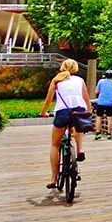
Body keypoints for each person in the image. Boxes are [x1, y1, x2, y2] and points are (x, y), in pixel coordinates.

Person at [39, 58, 91, 189]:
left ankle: (53, 178)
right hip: (79, 111)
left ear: (62, 67)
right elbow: (86, 99)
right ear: (75, 68)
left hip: (62, 113)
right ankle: (79, 148)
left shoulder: (57, 80)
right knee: (78, 125)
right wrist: (89, 111)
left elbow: (48, 100)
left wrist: (43, 112)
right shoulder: (80, 81)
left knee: (55, 144)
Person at [94, 69, 112, 140]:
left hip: (101, 102)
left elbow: (96, 91)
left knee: (99, 117)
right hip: (110, 102)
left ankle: (98, 133)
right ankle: (109, 133)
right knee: (109, 118)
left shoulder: (101, 81)